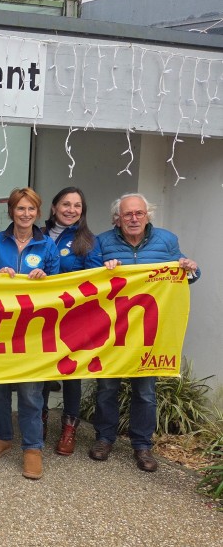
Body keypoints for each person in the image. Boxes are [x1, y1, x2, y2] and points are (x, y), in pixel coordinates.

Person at [89, 193, 200, 472]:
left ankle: (142, 445)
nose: (134, 218)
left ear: (147, 215)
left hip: (149, 331)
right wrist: (102, 270)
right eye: (127, 214)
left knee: (145, 391)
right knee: (107, 388)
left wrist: (191, 269)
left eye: (139, 213)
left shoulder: (167, 240)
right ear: (117, 219)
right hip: (112, 330)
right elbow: (88, 278)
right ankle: (104, 439)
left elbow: (183, 275)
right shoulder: (102, 242)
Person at [0, 187, 60, 480]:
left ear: (38, 213)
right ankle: (3, 435)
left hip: (33, 329)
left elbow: (59, 288)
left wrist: (45, 279)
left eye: (31, 209)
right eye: (20, 208)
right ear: (11, 211)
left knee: (30, 391)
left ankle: (32, 447)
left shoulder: (47, 246)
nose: (25, 214)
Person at [40, 187, 102, 456]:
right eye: (66, 204)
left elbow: (95, 279)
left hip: (73, 318)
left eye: (77, 206)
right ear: (54, 207)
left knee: (71, 373)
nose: (71, 210)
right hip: (40, 316)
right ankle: (39, 420)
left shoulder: (87, 240)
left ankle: (69, 428)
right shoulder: (38, 234)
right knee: (42, 370)